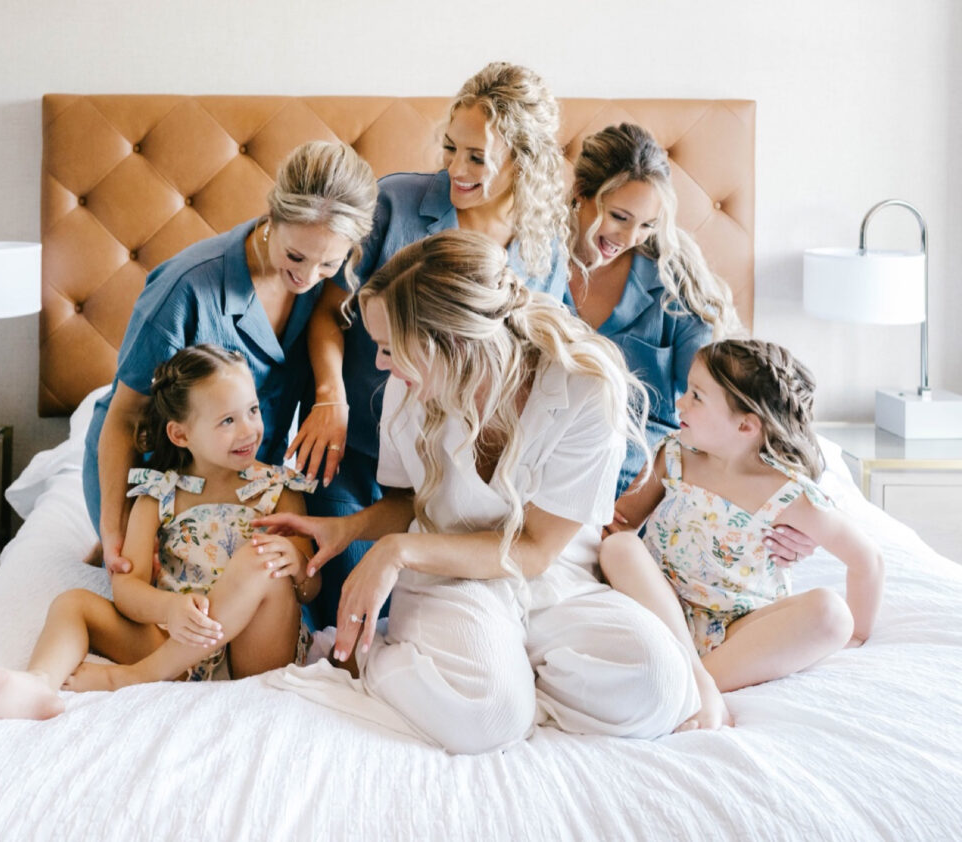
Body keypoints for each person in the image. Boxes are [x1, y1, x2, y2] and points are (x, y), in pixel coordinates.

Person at [261, 230, 700, 755]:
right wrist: (349, 529)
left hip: (553, 577)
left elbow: (537, 549)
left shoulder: (585, 387)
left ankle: (512, 677)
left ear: (451, 343)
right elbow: (407, 501)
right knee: (488, 716)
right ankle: (383, 660)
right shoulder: (409, 383)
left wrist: (398, 551)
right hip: (451, 578)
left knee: (660, 685)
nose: (380, 365)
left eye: (387, 347)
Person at [287, 62, 572, 628]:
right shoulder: (395, 205)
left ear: (524, 162)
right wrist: (330, 398)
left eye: (476, 158)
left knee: (443, 620)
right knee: (353, 609)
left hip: (457, 481)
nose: (455, 170)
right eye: (450, 148)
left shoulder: (544, 255)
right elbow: (325, 315)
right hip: (358, 455)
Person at [0, 346, 318, 719]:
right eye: (227, 421)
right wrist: (171, 608)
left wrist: (297, 562)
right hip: (175, 647)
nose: (248, 429)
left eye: (252, 410)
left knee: (260, 558)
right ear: (180, 435)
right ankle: (38, 682)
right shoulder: (157, 495)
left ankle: (134, 677)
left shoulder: (279, 489)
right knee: (72, 603)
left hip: (254, 652)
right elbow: (127, 590)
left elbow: (311, 589)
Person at [82, 141, 378, 575]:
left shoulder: (329, 290)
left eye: (328, 264)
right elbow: (125, 417)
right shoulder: (186, 289)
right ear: (272, 217)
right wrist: (115, 532)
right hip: (149, 478)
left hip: (246, 480)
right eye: (295, 256)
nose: (307, 277)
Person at [599, 339, 884, 728]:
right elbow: (621, 522)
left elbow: (867, 559)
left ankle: (701, 680)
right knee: (620, 547)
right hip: (665, 607)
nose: (680, 403)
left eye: (696, 396)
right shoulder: (675, 456)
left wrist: (857, 635)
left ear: (746, 425)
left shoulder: (790, 494)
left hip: (741, 625)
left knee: (833, 615)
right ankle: (700, 684)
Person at [567, 122, 816, 566]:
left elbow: (732, 398)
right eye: (619, 217)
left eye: (647, 224)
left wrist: (797, 507)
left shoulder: (672, 281)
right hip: (543, 456)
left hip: (637, 474)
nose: (628, 239)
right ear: (581, 193)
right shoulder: (534, 262)